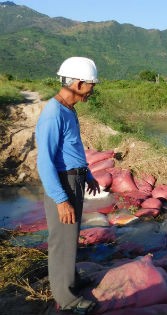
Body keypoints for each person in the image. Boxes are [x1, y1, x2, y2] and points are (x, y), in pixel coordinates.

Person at [36, 57, 100, 314]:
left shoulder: (68, 109)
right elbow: (45, 161)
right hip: (62, 183)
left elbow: (71, 149)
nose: (92, 90)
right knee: (61, 240)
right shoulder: (53, 114)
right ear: (79, 83)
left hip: (74, 178)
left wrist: (88, 174)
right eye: (91, 85)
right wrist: (60, 199)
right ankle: (67, 299)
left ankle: (71, 280)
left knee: (70, 236)